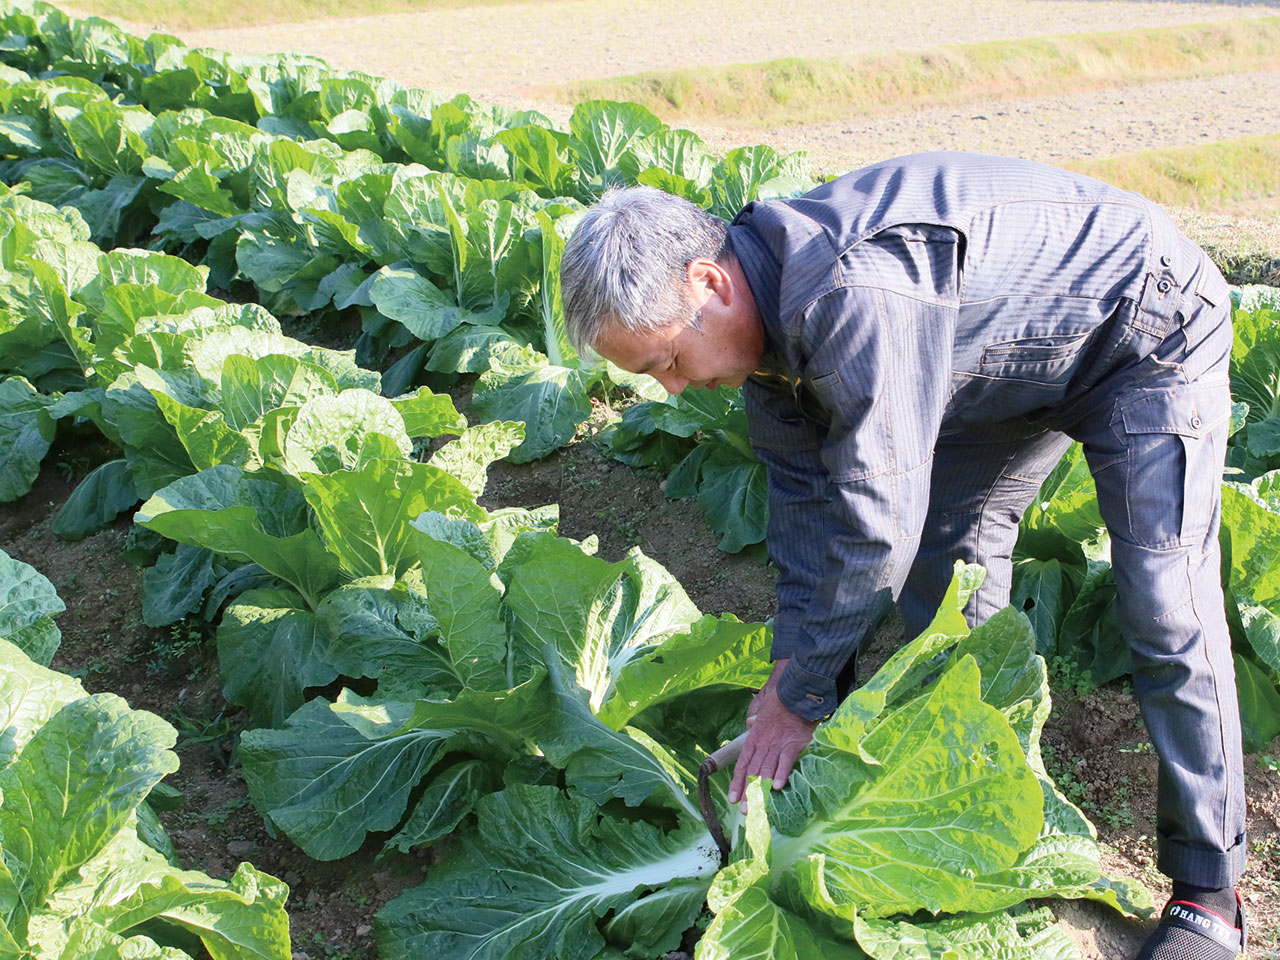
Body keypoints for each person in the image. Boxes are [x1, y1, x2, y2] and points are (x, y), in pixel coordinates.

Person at [559, 151, 1247, 960]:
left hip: (1142, 325)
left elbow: (877, 520)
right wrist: (788, 678)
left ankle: (1211, 894)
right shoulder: (767, 353)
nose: (673, 388)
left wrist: (807, 698)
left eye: (667, 361)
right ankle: (979, 813)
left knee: (1165, 600)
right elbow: (804, 524)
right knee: (951, 574)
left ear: (709, 284)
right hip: (997, 360)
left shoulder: (851, 291)